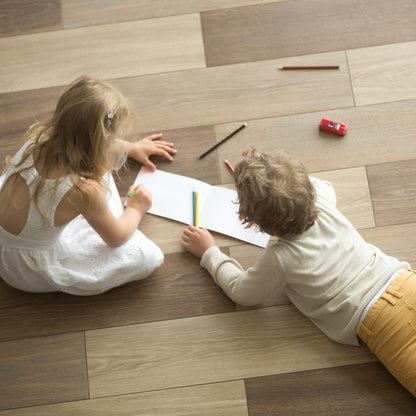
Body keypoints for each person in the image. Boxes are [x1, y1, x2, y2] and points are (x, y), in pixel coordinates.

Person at [181, 148, 416, 397]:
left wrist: (210, 253)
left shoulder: (281, 258)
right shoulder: (323, 200)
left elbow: (242, 292)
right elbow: (318, 184)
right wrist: (270, 168)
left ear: (256, 224)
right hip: (403, 281)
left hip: (379, 321)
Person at [0, 76, 176, 295]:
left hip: (8, 232)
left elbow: (85, 137)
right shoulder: (83, 192)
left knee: (96, 184)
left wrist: (130, 148)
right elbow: (116, 238)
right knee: (148, 256)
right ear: (105, 138)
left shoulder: (39, 139)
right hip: (23, 267)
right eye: (111, 141)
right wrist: (136, 208)